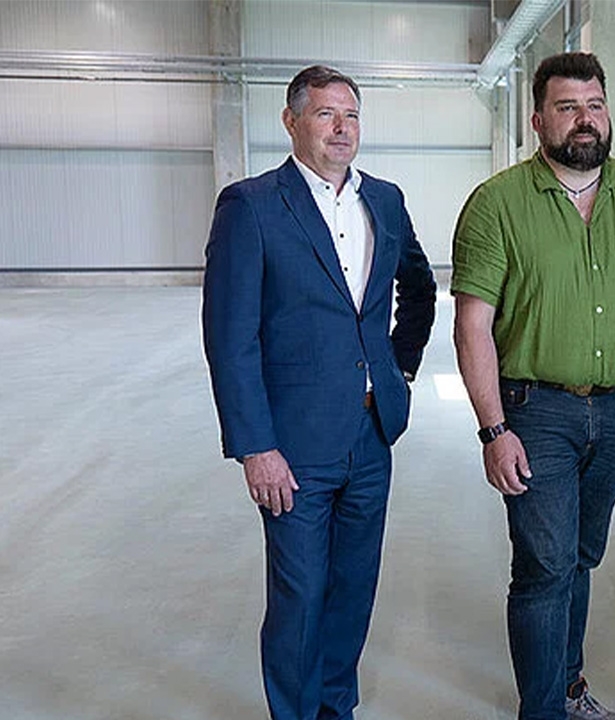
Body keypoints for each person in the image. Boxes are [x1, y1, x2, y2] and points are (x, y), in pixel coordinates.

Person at [451, 52, 615, 720]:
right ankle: (545, 709)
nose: (584, 120)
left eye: (594, 105)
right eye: (567, 108)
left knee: (580, 558)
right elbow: (472, 323)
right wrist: (493, 428)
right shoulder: (498, 204)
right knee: (545, 566)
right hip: (535, 413)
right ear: (538, 120)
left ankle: (566, 687)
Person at [202, 65, 436, 720]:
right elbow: (231, 338)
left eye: (352, 115)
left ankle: (338, 709)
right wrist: (256, 447)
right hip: (295, 445)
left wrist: (400, 372)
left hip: (370, 434)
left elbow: (418, 289)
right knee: (300, 596)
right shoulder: (251, 206)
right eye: (327, 114)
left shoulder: (383, 200)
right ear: (292, 121)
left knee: (353, 588)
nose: (342, 128)